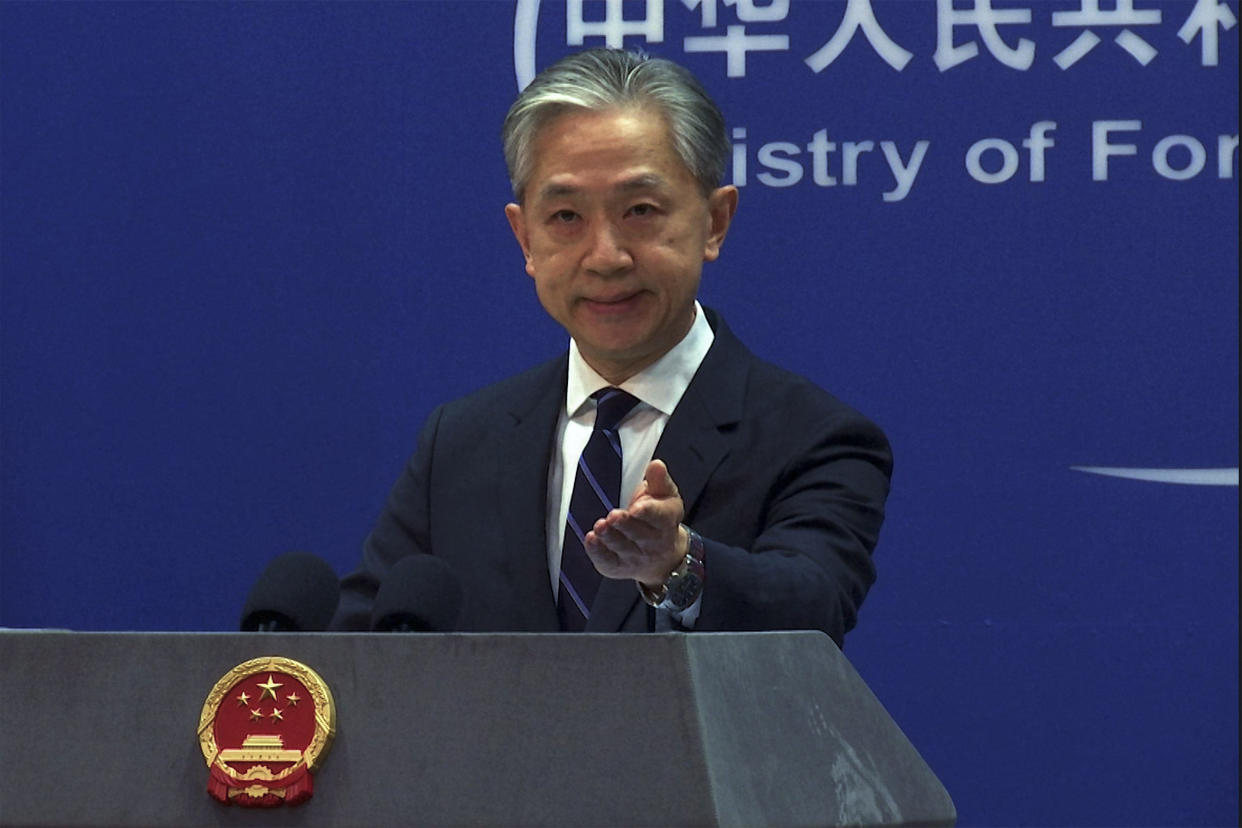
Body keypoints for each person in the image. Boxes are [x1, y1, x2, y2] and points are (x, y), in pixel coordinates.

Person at [331, 48, 892, 647]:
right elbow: (364, 647)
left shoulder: (814, 436)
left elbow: (812, 609)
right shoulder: (461, 442)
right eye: (566, 216)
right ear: (525, 238)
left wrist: (678, 564)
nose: (605, 256)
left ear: (715, 222)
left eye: (640, 211)